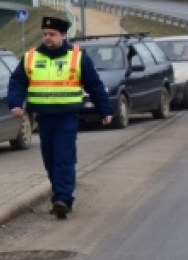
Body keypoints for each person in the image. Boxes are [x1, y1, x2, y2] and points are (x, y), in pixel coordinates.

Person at [7, 16, 112, 219]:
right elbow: (17, 82)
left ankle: (63, 198)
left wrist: (105, 110)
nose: (48, 38)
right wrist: (15, 103)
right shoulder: (31, 57)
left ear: (63, 35)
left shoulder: (77, 57)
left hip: (67, 116)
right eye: (45, 34)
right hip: (44, 118)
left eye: (52, 34)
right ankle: (59, 196)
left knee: (63, 157)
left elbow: (94, 85)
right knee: (50, 160)